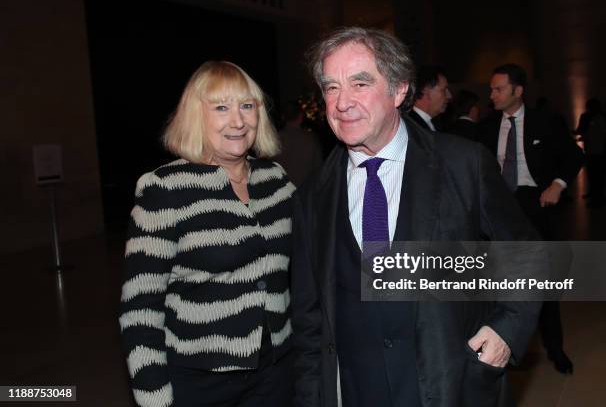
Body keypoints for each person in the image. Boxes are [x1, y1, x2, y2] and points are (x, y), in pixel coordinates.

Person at [292, 27, 541, 407]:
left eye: (360, 83)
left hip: (449, 383)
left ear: (399, 90)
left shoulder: (463, 165)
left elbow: (528, 253)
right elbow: (310, 325)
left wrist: (507, 330)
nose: (342, 103)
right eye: (331, 87)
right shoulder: (312, 197)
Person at [119, 61, 295, 407]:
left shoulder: (276, 181)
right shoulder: (164, 190)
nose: (238, 121)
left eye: (247, 106)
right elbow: (139, 310)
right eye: (221, 108)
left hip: (276, 374)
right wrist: (154, 398)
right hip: (199, 384)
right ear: (195, 116)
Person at [478, 63, 584, 374]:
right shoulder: (485, 127)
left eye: (498, 89)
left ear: (518, 91)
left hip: (536, 208)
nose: (492, 94)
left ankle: (555, 348)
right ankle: (502, 349)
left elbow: (574, 156)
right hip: (499, 213)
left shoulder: (545, 121)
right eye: (491, 89)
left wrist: (557, 184)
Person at [275, 100, 324, 186]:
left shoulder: (274, 139)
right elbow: (319, 169)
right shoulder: (310, 139)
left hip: (281, 192)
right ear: (301, 116)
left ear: (283, 116)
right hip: (305, 192)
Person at [406, 65, 452, 131]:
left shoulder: (436, 123)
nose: (449, 96)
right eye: (444, 90)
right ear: (425, 89)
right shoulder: (410, 126)